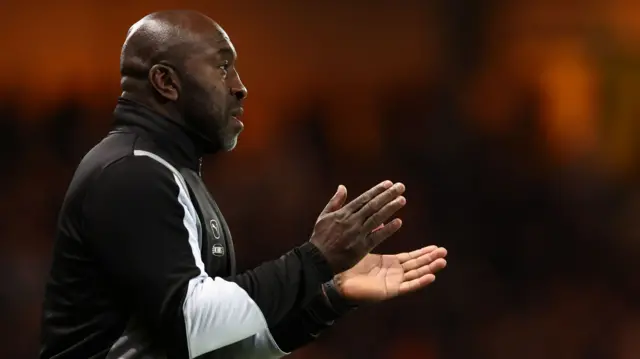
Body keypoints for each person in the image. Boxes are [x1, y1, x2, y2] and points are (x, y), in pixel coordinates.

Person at [39, 10, 448, 359]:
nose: (240, 86)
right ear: (165, 82)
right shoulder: (130, 173)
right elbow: (194, 323)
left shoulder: (168, 171)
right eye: (222, 67)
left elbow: (216, 346)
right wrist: (314, 259)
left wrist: (328, 297)